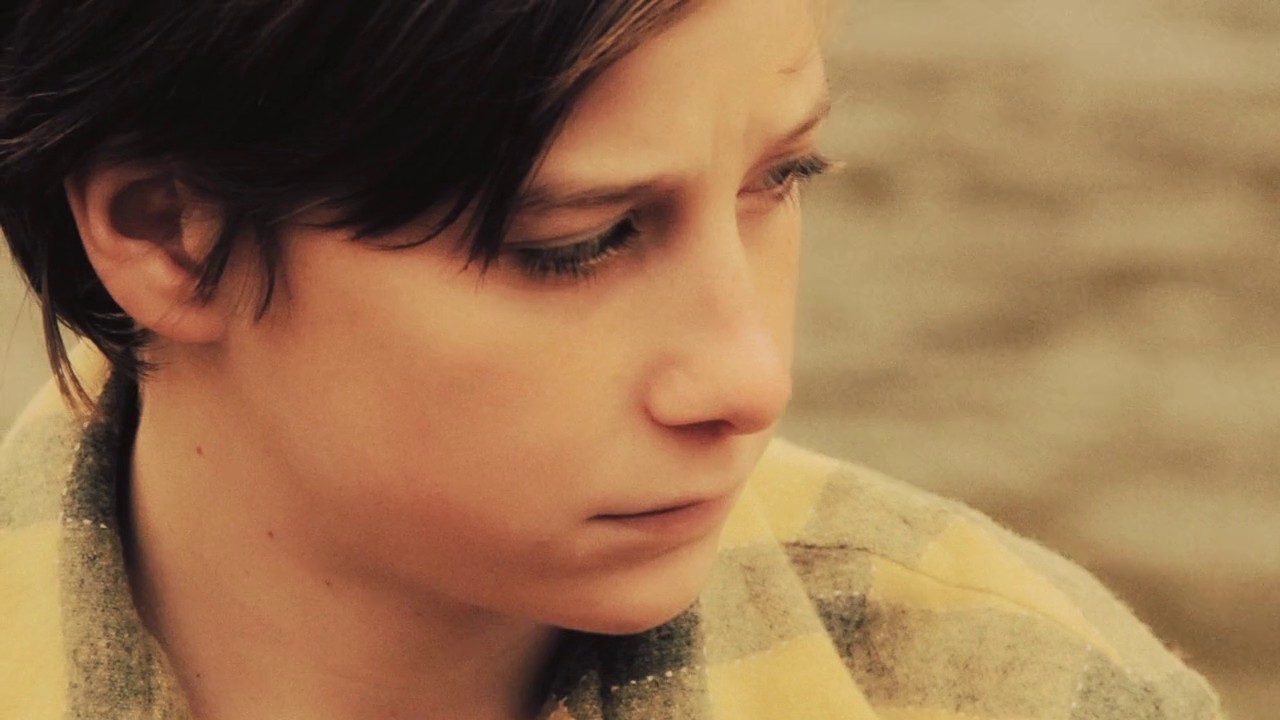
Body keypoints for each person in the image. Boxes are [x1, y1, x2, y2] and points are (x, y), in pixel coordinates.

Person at [0, 1, 1225, 718]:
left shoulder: (1030, 688)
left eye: (778, 178)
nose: (749, 380)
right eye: (576, 243)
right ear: (167, 231)